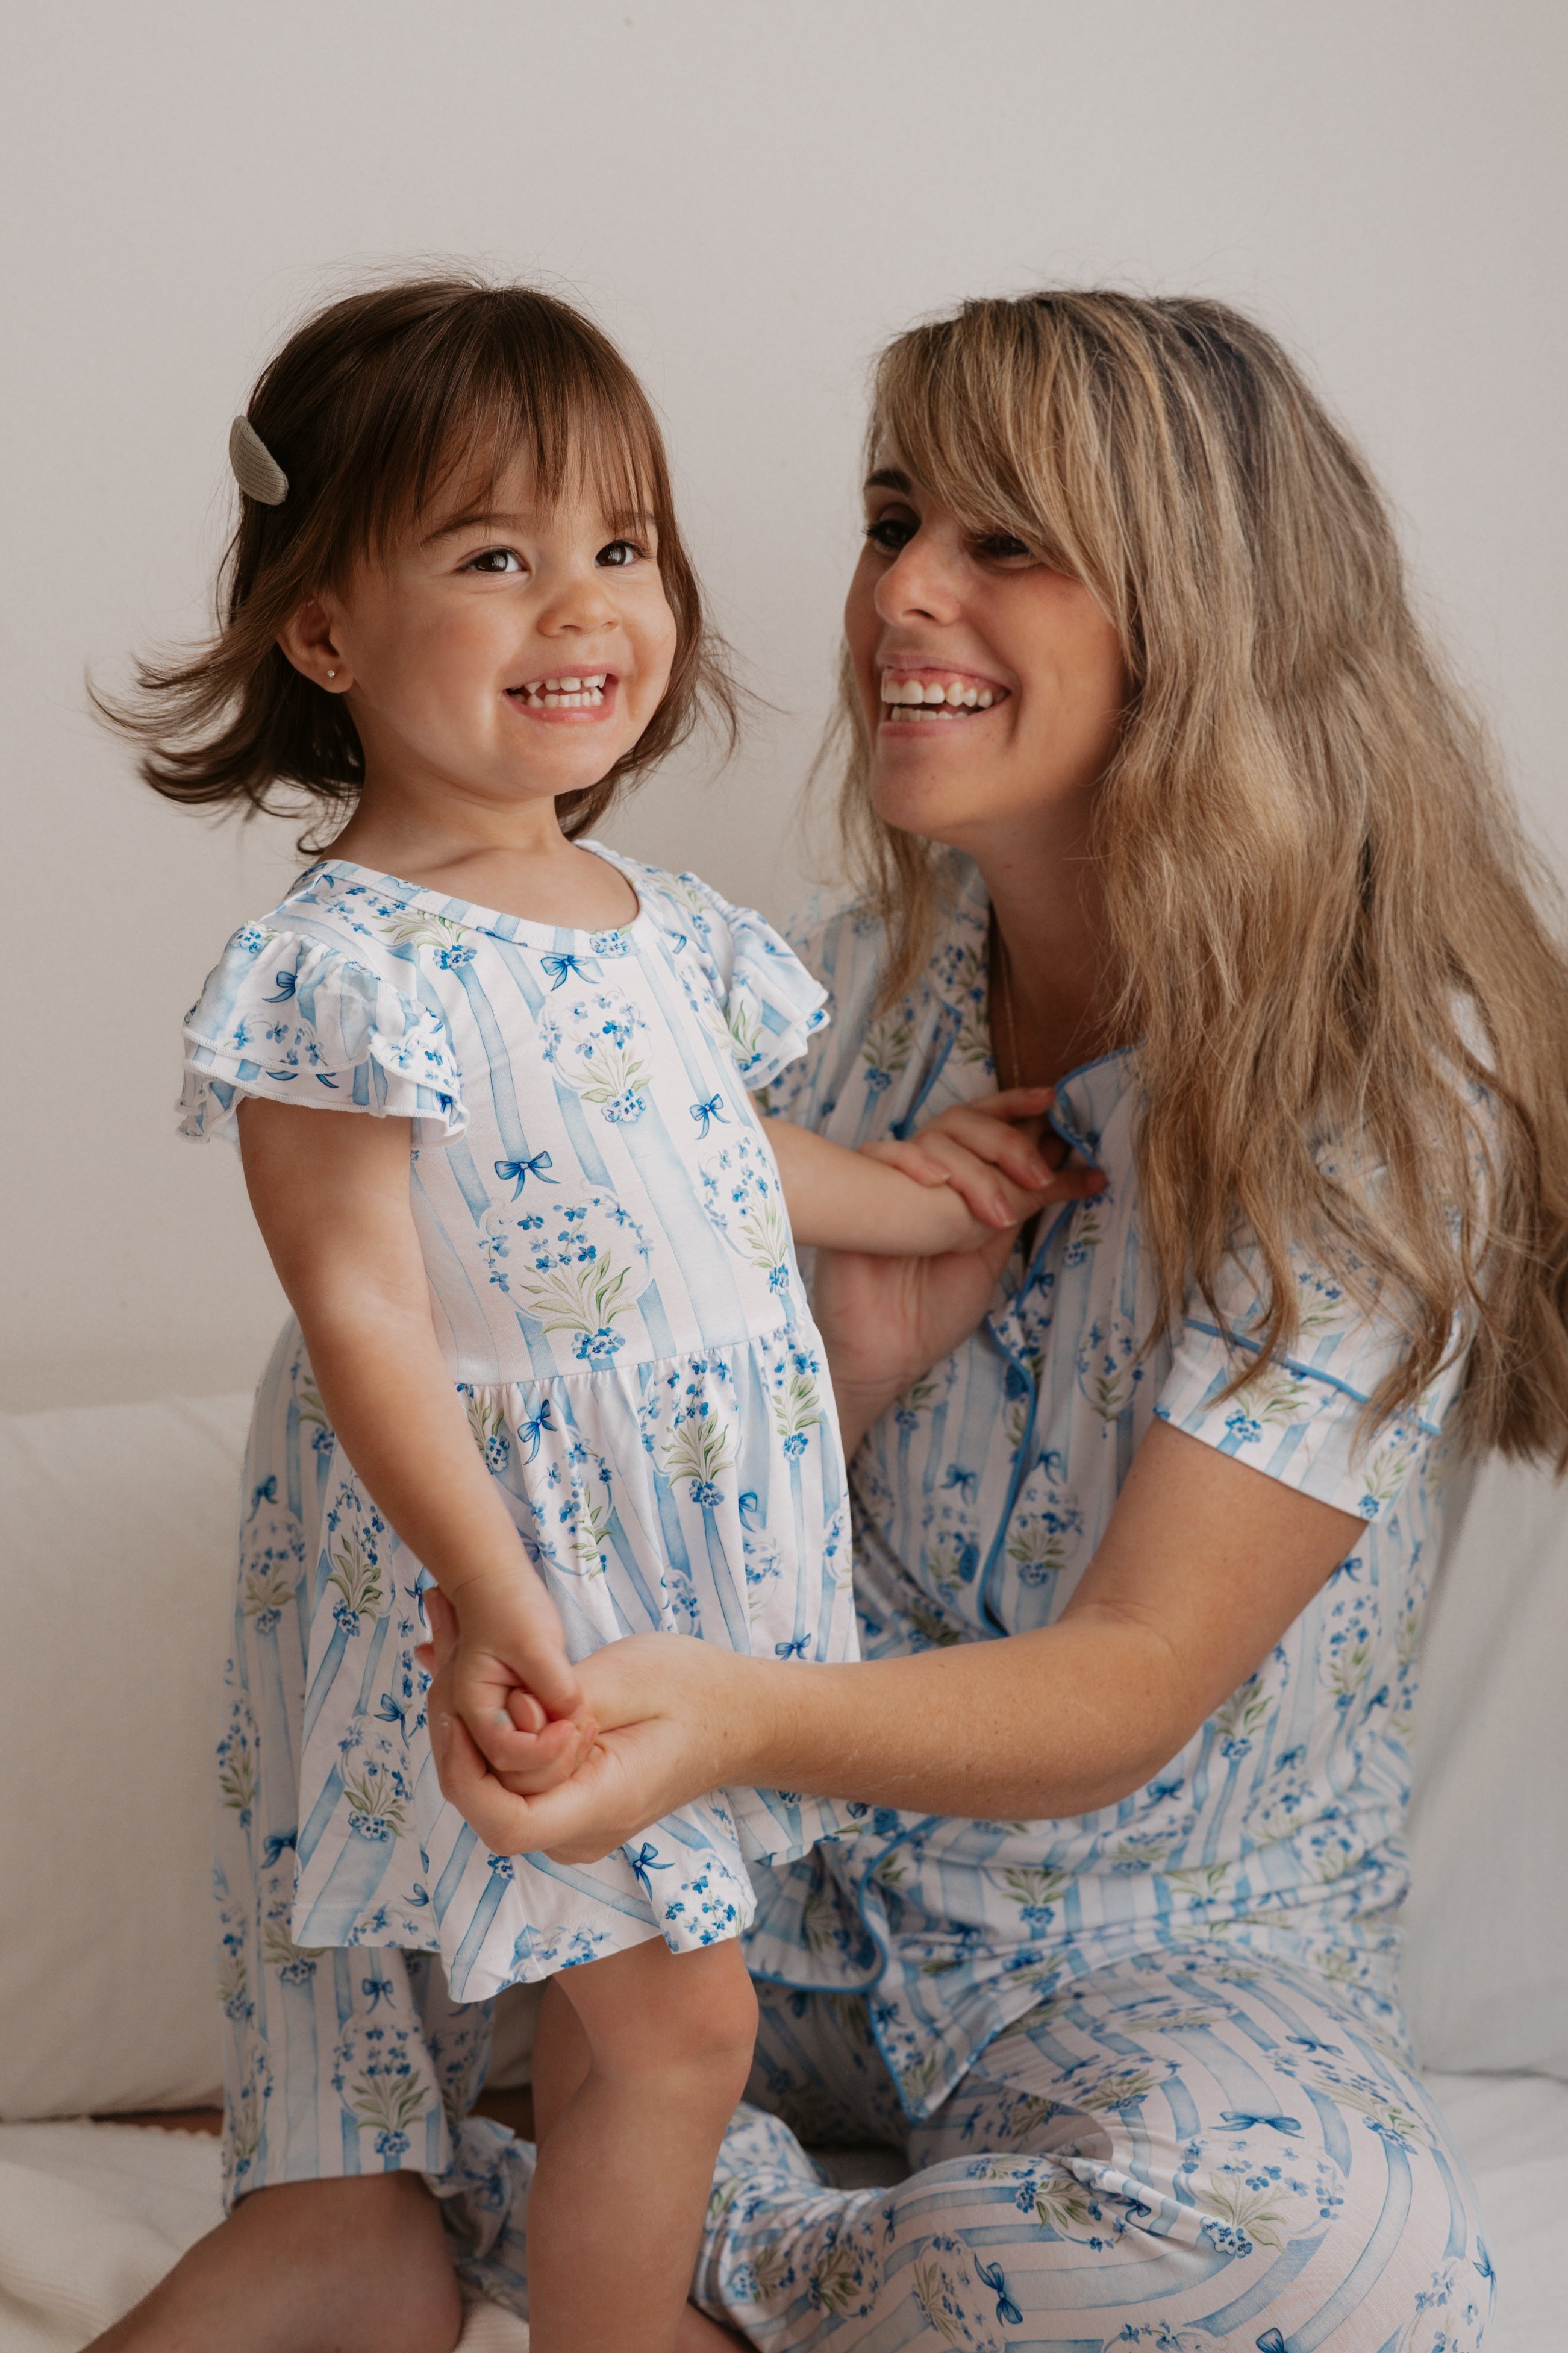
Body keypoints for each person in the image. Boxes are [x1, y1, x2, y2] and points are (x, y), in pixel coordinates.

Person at [96, 287, 1568, 2353]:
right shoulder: (830, 993)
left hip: (1126, 1957)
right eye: (892, 522)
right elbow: (626, 1452)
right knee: (401, 1296)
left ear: (1202, 616)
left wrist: (721, 1718)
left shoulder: (1380, 1098)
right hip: (757, 1896)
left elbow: (1134, 1677)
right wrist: (851, 1382)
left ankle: (690, 2252)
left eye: (1001, 540)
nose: (897, 596)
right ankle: (373, 2183)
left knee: (1337, 2268)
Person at [90, 277, 1095, 2353]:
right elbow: (362, 1312)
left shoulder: (653, 925)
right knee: (675, 2028)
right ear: (324, 633)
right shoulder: (349, 968)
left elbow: (705, 1154)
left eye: (620, 547)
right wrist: (491, 1588)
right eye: (493, 557)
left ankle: (441, 2273)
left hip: (662, 1562)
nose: (582, 607)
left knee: (605, 2036)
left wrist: (907, 1189)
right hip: (508, 1569)